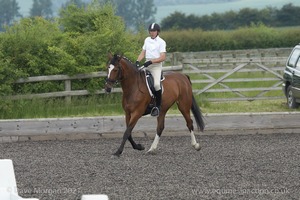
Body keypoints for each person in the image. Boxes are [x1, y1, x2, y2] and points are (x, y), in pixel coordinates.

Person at [136, 23, 166, 117]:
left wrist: (151, 61)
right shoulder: (147, 40)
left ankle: (158, 106)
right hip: (146, 65)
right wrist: (137, 61)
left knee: (156, 84)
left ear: (157, 32)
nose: (152, 33)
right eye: (150, 31)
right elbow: (143, 52)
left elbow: (163, 57)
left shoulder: (161, 42)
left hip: (156, 66)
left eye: (153, 31)